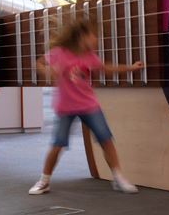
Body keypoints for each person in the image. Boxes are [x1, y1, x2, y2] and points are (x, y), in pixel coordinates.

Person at [29, 18, 144, 195]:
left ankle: (118, 179)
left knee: (106, 140)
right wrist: (49, 72)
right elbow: (38, 63)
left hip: (89, 105)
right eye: (93, 36)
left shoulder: (90, 57)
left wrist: (131, 68)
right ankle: (44, 181)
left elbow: (107, 68)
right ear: (82, 36)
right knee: (57, 144)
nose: (96, 40)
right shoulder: (60, 53)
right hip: (65, 107)